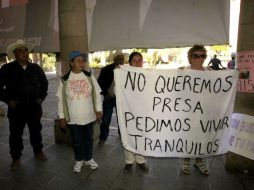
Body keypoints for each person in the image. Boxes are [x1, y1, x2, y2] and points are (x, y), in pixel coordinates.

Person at [0, 39, 48, 170]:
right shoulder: (7, 69)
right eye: (20, 50)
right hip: (16, 109)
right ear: (14, 54)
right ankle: (16, 158)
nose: (24, 53)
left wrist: (41, 98)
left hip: (34, 107)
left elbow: (44, 84)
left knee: (36, 131)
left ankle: (38, 152)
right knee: (15, 134)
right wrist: (8, 100)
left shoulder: (35, 68)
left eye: (25, 50)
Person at [56, 51, 102, 173]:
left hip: (89, 116)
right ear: (71, 63)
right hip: (73, 118)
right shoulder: (64, 79)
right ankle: (79, 160)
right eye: (78, 60)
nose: (82, 63)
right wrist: (61, 117)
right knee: (77, 141)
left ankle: (88, 158)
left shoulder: (89, 76)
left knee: (88, 140)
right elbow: (61, 100)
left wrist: (99, 109)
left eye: (83, 60)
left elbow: (97, 94)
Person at [181, 44, 210, 176]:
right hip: (187, 112)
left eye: (202, 55)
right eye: (196, 55)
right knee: (188, 136)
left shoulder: (209, 72)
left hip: (204, 111)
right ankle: (186, 160)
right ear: (190, 58)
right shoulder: (183, 71)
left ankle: (199, 160)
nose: (200, 58)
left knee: (201, 136)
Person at [123, 52, 149, 173]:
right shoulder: (124, 76)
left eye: (140, 60)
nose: (137, 63)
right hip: (128, 112)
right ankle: (129, 161)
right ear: (130, 63)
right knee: (128, 135)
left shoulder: (149, 75)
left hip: (143, 113)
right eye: (134, 60)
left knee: (141, 136)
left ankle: (140, 160)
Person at [97, 52, 125, 145]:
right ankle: (103, 138)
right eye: (119, 58)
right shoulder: (106, 69)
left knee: (121, 119)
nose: (121, 60)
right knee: (106, 119)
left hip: (120, 99)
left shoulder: (126, 70)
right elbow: (99, 83)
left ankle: (123, 137)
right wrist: (105, 93)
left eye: (122, 59)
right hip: (109, 97)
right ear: (115, 59)